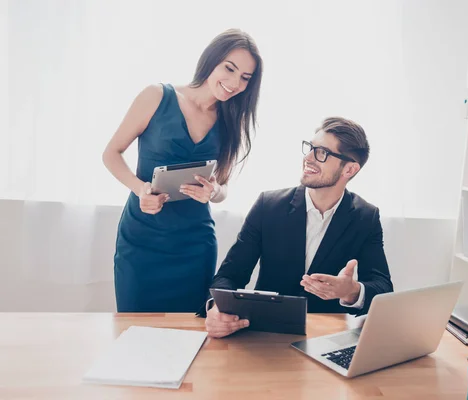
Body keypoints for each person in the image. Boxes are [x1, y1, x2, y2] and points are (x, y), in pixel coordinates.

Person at [102, 29, 263, 312]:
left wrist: (213, 192)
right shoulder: (156, 96)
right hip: (142, 239)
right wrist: (140, 188)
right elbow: (111, 154)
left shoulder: (230, 121)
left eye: (245, 78)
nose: (234, 83)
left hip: (194, 245)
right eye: (229, 68)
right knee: (133, 333)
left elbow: (223, 187)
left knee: (188, 336)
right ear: (211, 60)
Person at [203, 117, 393, 338]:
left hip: (326, 338)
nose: (309, 158)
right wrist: (216, 308)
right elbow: (230, 275)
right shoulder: (268, 205)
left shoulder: (366, 217)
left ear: (349, 169)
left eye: (322, 153)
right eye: (310, 148)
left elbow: (383, 288)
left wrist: (351, 291)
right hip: (266, 333)